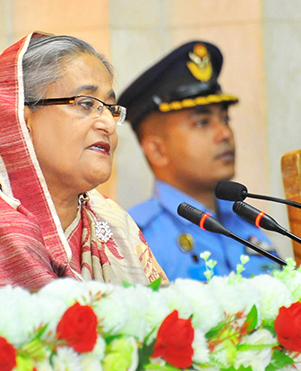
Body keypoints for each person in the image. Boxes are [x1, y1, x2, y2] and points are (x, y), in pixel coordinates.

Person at [0, 33, 167, 291]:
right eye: (86, 103)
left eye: (110, 108)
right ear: (21, 121)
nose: (108, 124)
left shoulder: (114, 222)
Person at [118, 41, 278, 281]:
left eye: (225, 119)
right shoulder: (137, 239)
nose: (225, 133)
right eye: (202, 123)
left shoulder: (246, 220)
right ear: (157, 150)